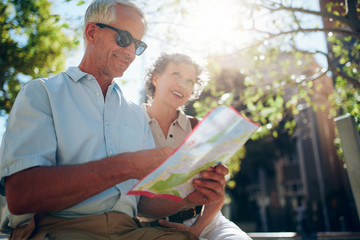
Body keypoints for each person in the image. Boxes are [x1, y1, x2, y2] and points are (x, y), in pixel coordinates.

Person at [0, 1, 228, 239]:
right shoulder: (42, 93)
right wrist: (127, 165)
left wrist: (189, 198)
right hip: (58, 228)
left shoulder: (134, 114)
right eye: (123, 38)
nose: (130, 52)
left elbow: (143, 205)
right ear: (92, 32)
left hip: (128, 230)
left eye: (137, 45)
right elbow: (20, 197)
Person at [141, 53, 252, 240]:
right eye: (176, 74)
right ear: (156, 78)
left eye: (190, 81)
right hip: (152, 227)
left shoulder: (200, 129)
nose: (182, 84)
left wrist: (196, 230)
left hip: (207, 222)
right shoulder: (133, 124)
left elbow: (217, 194)